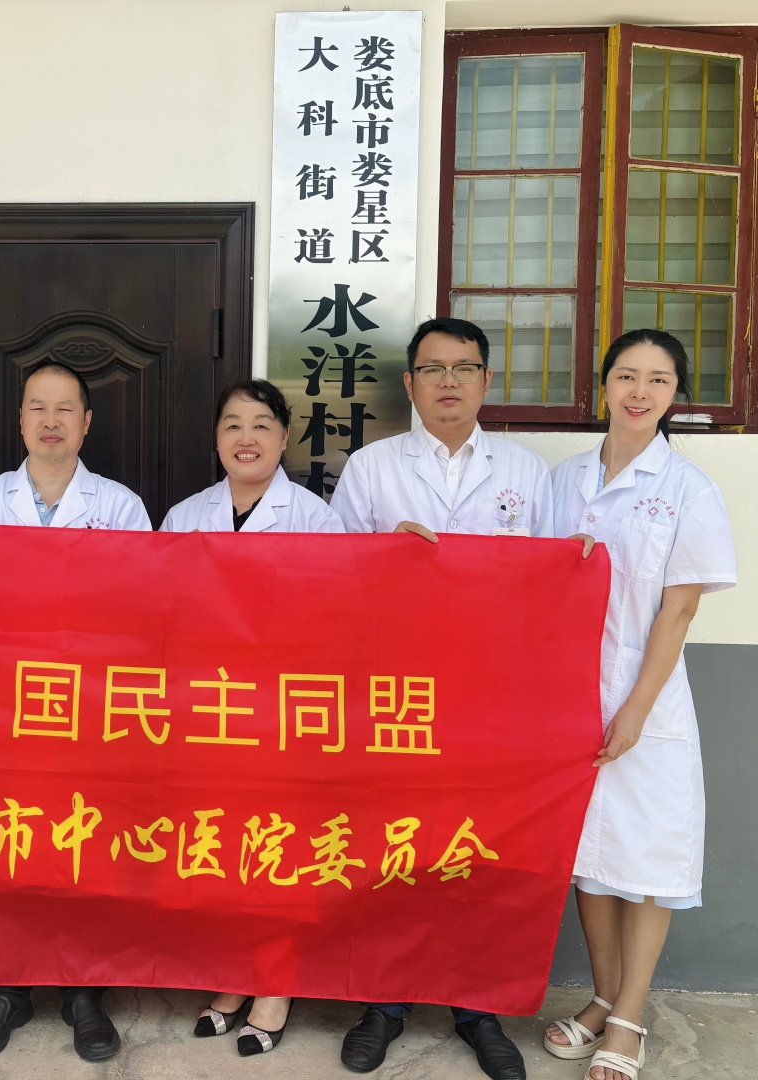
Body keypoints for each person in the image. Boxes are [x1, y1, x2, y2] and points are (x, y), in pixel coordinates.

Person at [329, 317, 554, 1080]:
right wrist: (382, 555)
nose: (448, 382)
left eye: (464, 368)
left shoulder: (526, 471)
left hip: (491, 699)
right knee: (392, 847)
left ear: (487, 380)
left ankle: (475, 1007)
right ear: (410, 384)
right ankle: (384, 1003)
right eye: (433, 369)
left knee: (476, 851)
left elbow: (553, 589)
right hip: (395, 695)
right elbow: (329, 580)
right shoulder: (371, 470)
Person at [543, 329, 736, 1080]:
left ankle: (629, 1016)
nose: (640, 392)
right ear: (604, 384)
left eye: (658, 380)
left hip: (646, 697)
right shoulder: (564, 480)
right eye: (627, 375)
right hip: (566, 692)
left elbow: (678, 612)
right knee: (589, 858)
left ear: (674, 395)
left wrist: (633, 711)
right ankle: (601, 996)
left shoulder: (688, 488)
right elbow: (528, 577)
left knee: (648, 856)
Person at [0, 359, 151, 1064]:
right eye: (37, 406)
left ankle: (82, 991)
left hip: (89, 704)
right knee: (5, 841)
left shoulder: (121, 506)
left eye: (65, 408)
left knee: (82, 842)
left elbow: (139, 608)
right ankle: (5, 988)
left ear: (86, 422)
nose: (50, 420)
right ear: (19, 420)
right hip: (2, 704)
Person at [161, 378, 341, 1055]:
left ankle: (275, 984)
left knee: (282, 847)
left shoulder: (315, 519)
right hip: (208, 711)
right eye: (233, 424)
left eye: (262, 424)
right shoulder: (184, 516)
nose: (246, 437)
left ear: (284, 438)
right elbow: (162, 613)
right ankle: (233, 975)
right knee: (224, 845)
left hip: (282, 713)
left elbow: (334, 617)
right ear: (216, 438)